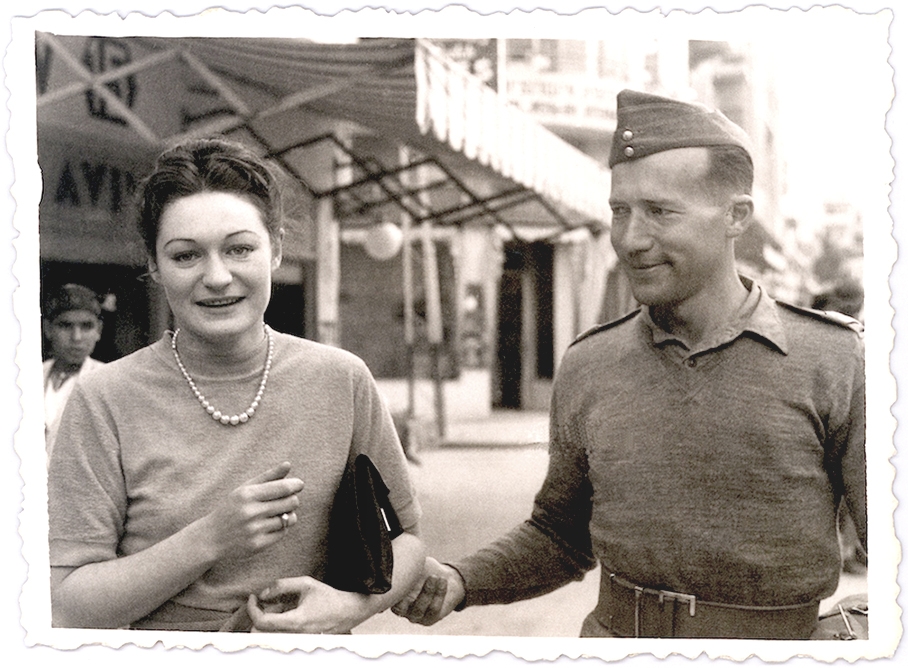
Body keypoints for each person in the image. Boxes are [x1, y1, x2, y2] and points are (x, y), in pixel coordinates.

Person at [393, 90, 866, 639]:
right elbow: (561, 534)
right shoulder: (590, 363)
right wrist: (460, 581)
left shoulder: (834, 360)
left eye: (660, 212)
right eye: (620, 211)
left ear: (736, 216)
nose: (631, 239)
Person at [48, 138, 425, 632]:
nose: (218, 276)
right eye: (186, 256)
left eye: (240, 248)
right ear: (155, 268)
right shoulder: (104, 398)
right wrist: (211, 537)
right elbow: (67, 605)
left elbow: (410, 539)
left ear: (277, 251)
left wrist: (351, 607)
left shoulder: (341, 379)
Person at [42, 283, 105, 460]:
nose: (76, 337)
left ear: (98, 330)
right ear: (48, 329)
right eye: (65, 325)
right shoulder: (27, 377)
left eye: (86, 326)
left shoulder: (109, 380)